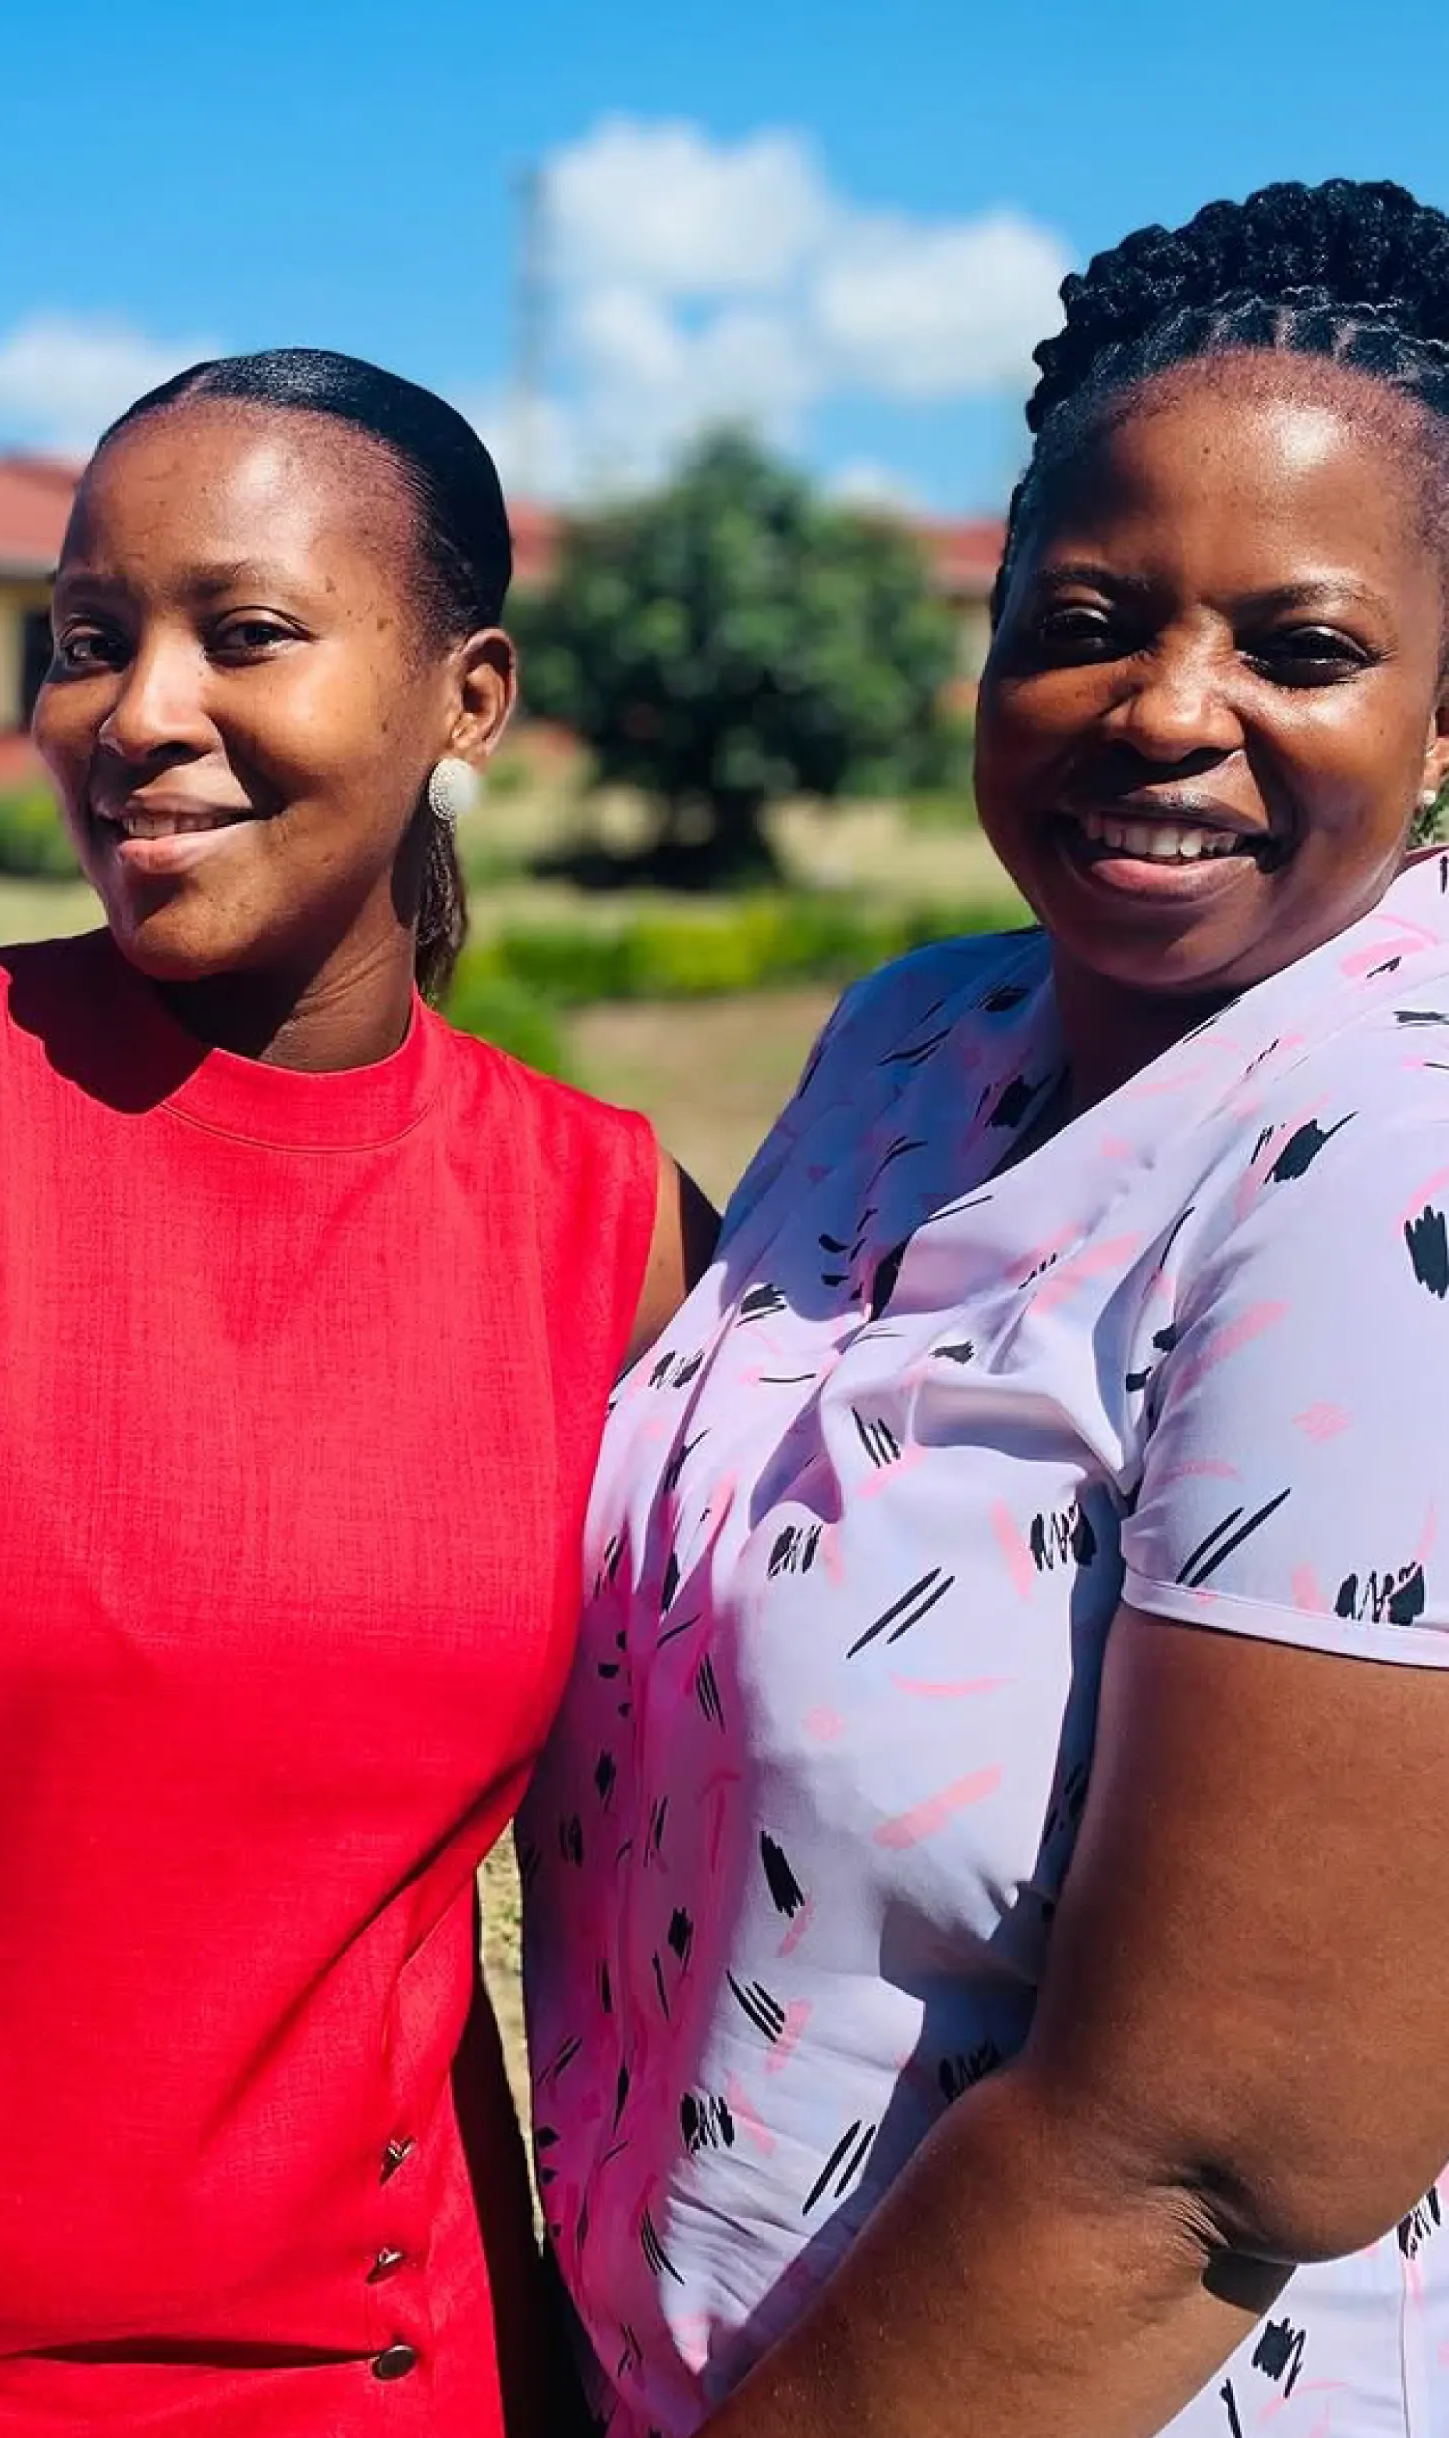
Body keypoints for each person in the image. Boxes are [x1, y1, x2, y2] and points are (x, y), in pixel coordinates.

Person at [0, 349, 711, 2438]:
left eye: (243, 631)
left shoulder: (606, 1223)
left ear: (470, 697)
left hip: (379, 2385)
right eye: (89, 641)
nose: (138, 711)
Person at [523, 177, 1449, 2438]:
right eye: (1086, 614)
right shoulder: (914, 1040)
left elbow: (1205, 2158)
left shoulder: (1391, 1150)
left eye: (1298, 647)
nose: (1164, 709)